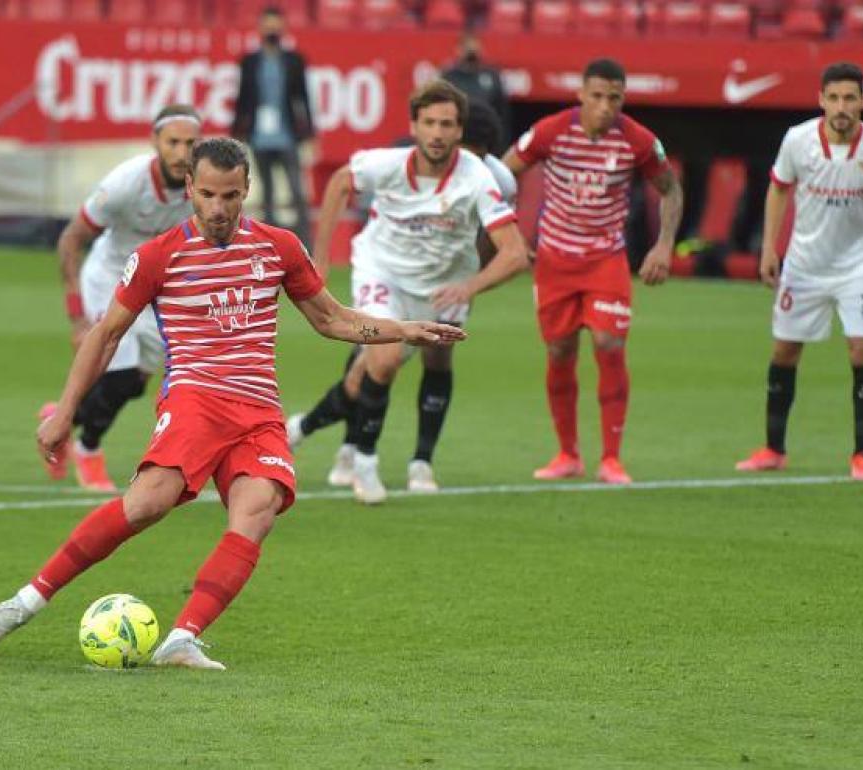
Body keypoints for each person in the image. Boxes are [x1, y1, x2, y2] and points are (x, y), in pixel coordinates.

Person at [0, 137, 465, 669]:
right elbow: (106, 335)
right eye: (207, 194)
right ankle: (27, 601)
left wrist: (403, 329)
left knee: (258, 511)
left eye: (230, 196)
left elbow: (331, 318)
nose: (218, 208)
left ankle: (182, 637)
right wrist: (66, 411)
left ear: (247, 190)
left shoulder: (278, 247)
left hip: (257, 411)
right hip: (195, 400)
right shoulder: (158, 256)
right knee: (148, 503)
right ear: (190, 189)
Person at [286, 80, 528, 504]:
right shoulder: (386, 164)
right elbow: (341, 182)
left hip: (443, 286)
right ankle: (365, 460)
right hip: (383, 271)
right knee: (385, 355)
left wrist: (470, 285)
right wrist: (319, 259)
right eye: (429, 122)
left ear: (459, 130)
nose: (437, 132)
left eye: (447, 124)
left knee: (389, 369)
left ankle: (307, 431)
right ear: (414, 125)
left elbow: (514, 253)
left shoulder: (483, 180)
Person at [503, 58, 683, 485]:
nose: (605, 106)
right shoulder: (550, 132)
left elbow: (670, 189)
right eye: (598, 96)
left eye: (615, 98)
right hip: (554, 261)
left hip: (605, 259)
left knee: (608, 343)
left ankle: (611, 458)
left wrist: (664, 244)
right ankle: (568, 454)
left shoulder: (637, 140)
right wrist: (509, 233)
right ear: (581, 94)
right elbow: (502, 173)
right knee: (560, 351)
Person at [735, 62, 863, 481]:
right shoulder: (797, 141)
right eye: (833, 98)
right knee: (784, 352)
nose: (841, 106)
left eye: (850, 98)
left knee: (862, 349)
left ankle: (861, 456)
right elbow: (778, 190)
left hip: (858, 264)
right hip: (805, 264)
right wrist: (768, 250)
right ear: (821, 100)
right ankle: (774, 449)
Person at [39, 105, 200, 491]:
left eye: (190, 143)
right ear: (155, 142)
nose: (181, 152)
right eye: (172, 142)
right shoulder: (126, 183)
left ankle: (61, 417)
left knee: (133, 384)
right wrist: (77, 317)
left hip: (154, 285)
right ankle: (87, 449)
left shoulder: (201, 185)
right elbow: (71, 239)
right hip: (110, 279)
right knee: (121, 374)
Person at [231, 5, 315, 245]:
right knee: (267, 193)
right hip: (259, 135)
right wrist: (236, 133)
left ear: (283, 28)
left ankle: (306, 243)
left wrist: (310, 132)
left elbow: (303, 98)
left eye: (275, 25)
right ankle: (270, 244)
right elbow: (242, 99)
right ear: (260, 28)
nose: (272, 29)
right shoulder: (249, 62)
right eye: (268, 24)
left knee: (297, 191)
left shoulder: (294, 60)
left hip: (287, 134)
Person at [441, 33, 511, 148]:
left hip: (485, 138)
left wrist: (502, 143)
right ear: (458, 50)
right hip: (456, 136)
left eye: (474, 47)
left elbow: (503, 113)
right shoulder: (449, 77)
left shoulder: (492, 76)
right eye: (467, 47)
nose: (471, 51)